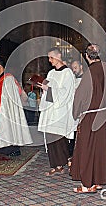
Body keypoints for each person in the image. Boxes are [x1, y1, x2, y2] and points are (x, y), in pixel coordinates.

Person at [71, 44, 106, 193]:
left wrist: (76, 112)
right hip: (103, 114)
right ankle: (99, 180)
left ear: (86, 56)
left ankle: (87, 185)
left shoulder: (90, 73)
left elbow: (80, 96)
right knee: (100, 149)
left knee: (87, 149)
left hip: (90, 116)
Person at [0, 57, 33, 160]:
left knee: (0, 131)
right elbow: (19, 93)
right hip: (8, 110)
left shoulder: (6, 79)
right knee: (9, 131)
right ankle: (13, 150)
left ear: (0, 67)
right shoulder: (8, 78)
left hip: (2, 111)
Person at [37, 47, 75, 176]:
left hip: (60, 111)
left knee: (58, 139)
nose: (49, 60)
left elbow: (66, 93)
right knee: (50, 138)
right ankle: (55, 165)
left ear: (58, 56)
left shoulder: (68, 73)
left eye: (51, 57)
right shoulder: (51, 73)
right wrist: (43, 88)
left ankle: (66, 161)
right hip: (50, 110)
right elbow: (47, 88)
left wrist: (49, 89)